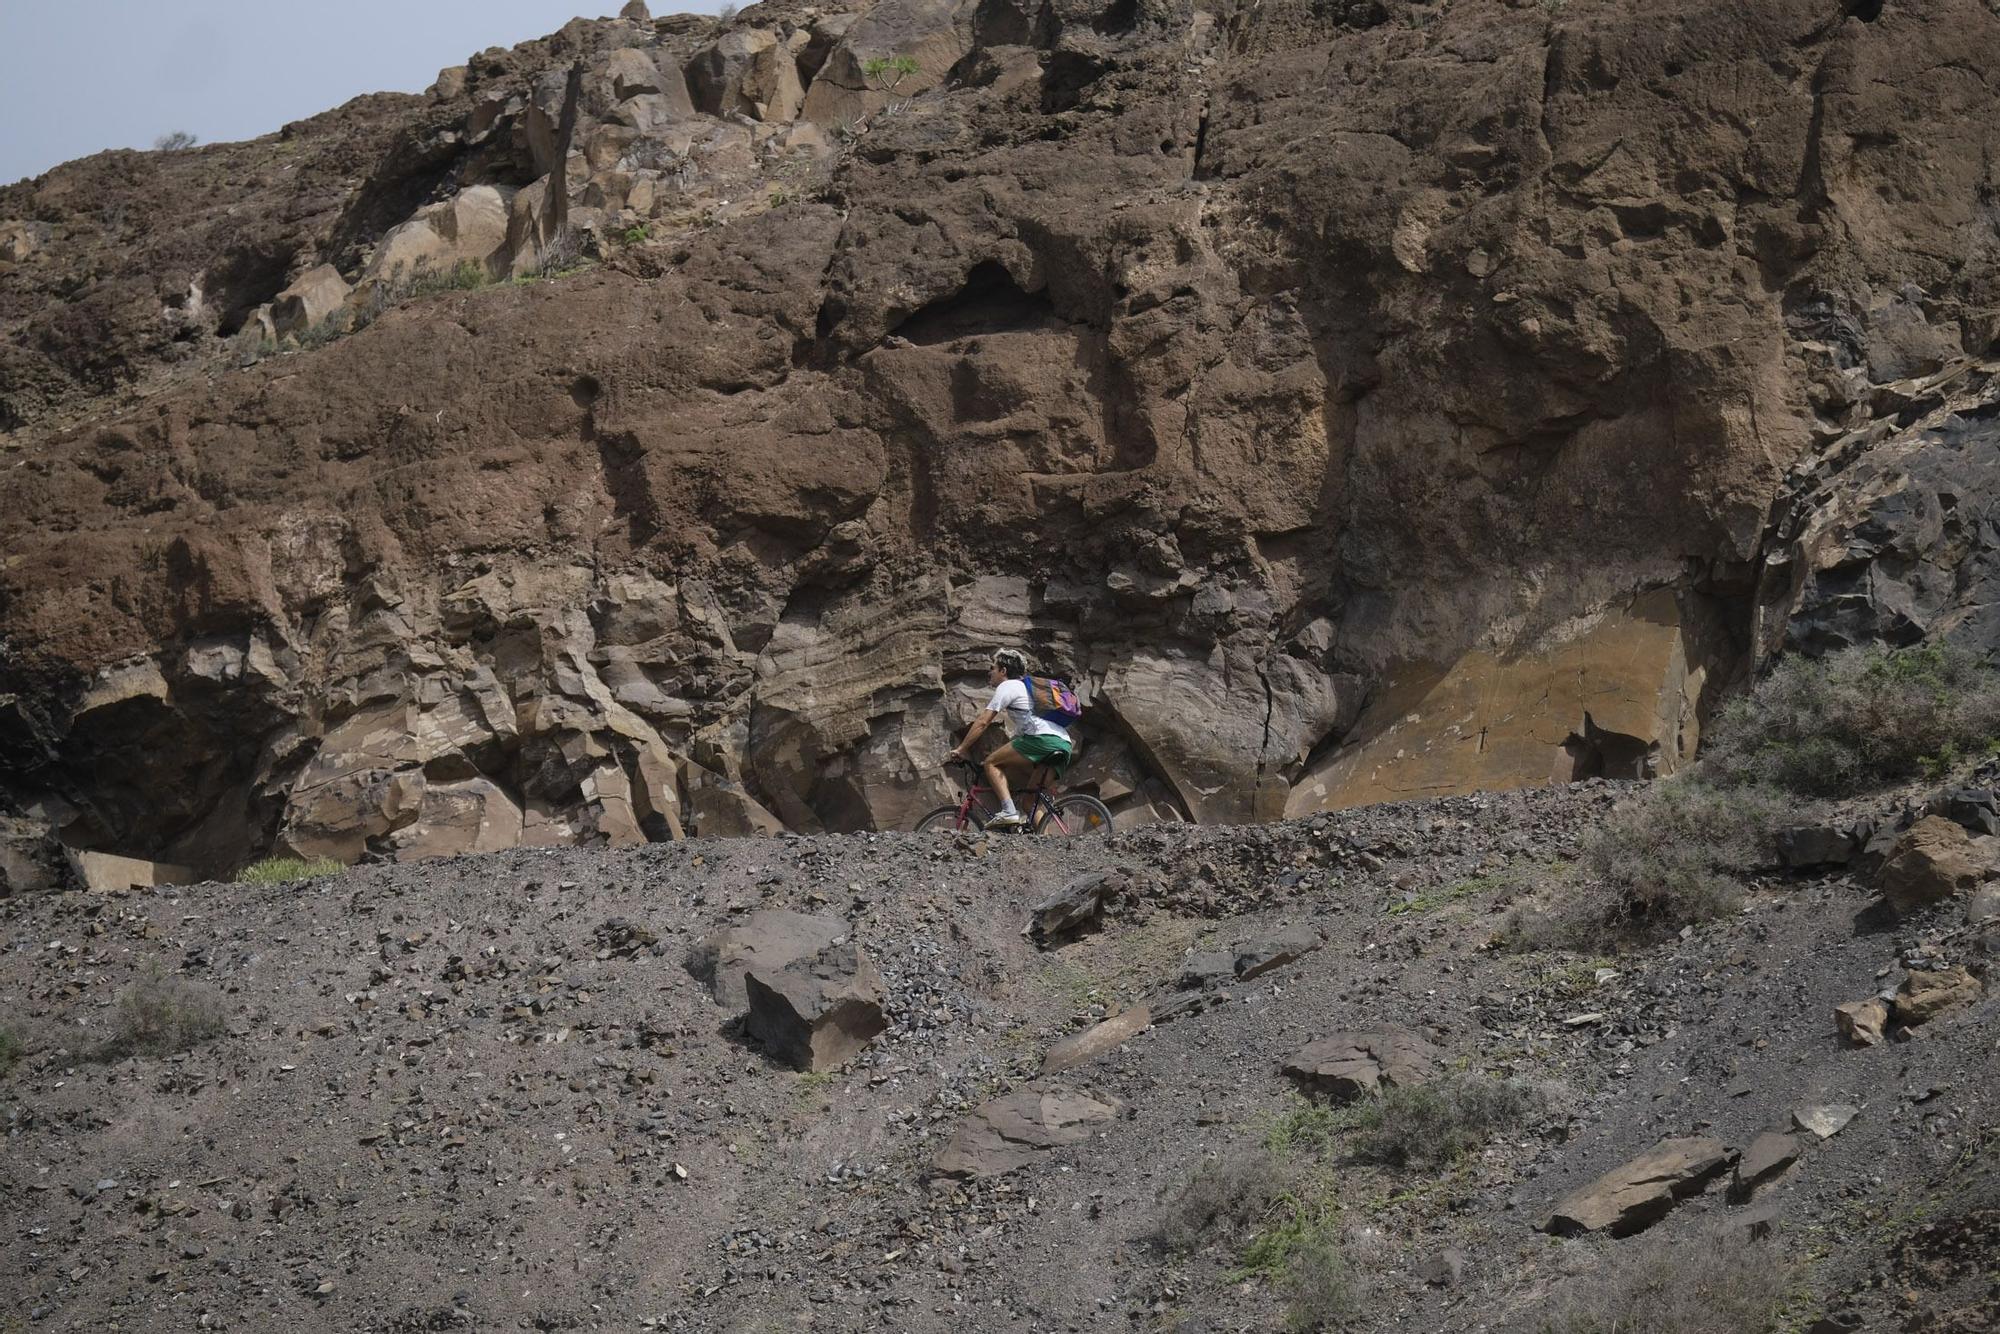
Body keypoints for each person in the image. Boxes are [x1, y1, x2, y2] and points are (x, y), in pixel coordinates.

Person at [946, 648, 1073, 828]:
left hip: (1043, 740)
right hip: (1063, 743)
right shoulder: (1025, 690)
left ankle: (1008, 811)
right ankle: (1049, 844)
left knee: (991, 763)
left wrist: (962, 748)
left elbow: (983, 721)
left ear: (1003, 671)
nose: (990, 673)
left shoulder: (1008, 686)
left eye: (993, 668)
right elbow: (1021, 735)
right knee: (1029, 803)